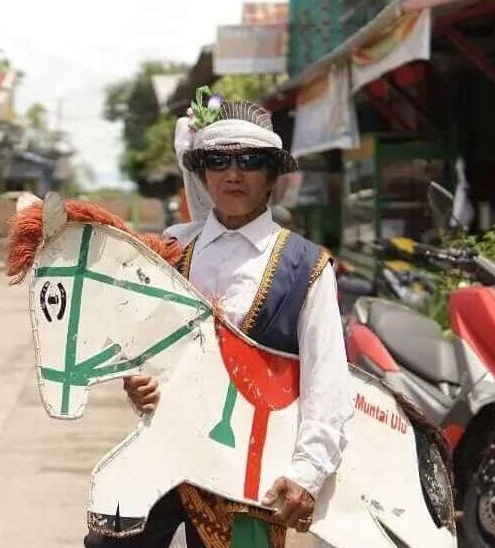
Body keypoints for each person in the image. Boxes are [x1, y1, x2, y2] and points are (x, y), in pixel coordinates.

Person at [87, 99, 353, 548]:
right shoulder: (173, 248)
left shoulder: (306, 266)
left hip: (254, 466)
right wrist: (142, 383)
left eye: (250, 160)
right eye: (218, 160)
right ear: (203, 172)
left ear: (271, 174)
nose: (233, 174)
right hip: (172, 450)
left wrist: (308, 472)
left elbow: (327, 379)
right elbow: (151, 351)